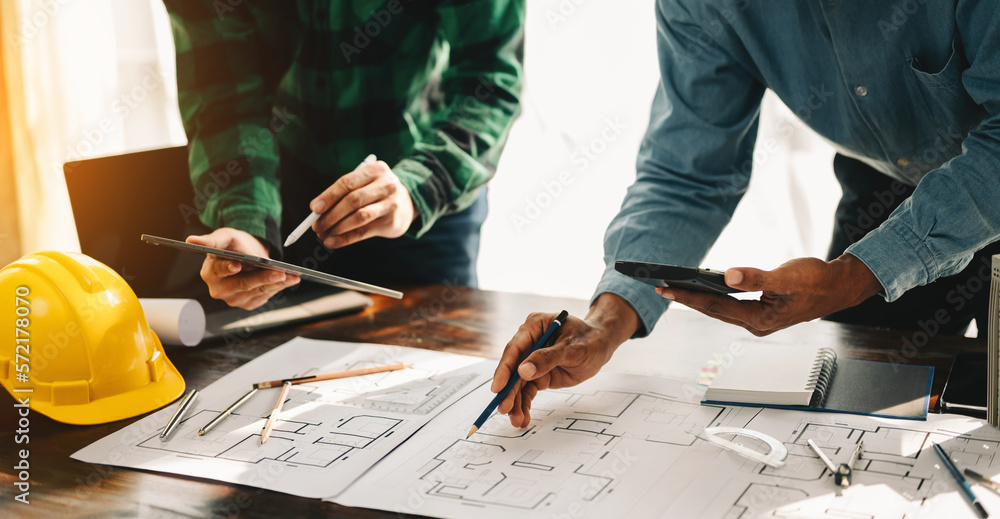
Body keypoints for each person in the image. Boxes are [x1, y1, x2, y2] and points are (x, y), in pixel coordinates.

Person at [492, 1, 1000, 426]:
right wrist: (606, 323)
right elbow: (687, 173)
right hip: (887, 192)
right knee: (855, 418)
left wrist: (855, 275)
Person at [162, 1, 524, 310]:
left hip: (421, 196)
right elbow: (223, 96)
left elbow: (490, 81)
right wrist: (245, 221)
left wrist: (415, 190)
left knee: (433, 369)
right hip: (278, 192)